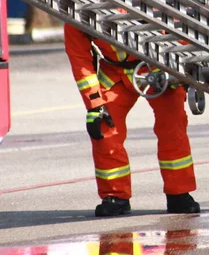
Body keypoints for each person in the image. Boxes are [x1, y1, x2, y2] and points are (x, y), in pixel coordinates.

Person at [64, 24, 200, 216]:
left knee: (173, 127)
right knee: (103, 127)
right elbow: (80, 59)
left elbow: (178, 26)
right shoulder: (76, 9)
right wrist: (94, 103)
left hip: (157, 69)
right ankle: (115, 197)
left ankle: (179, 194)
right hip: (114, 73)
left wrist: (184, 73)